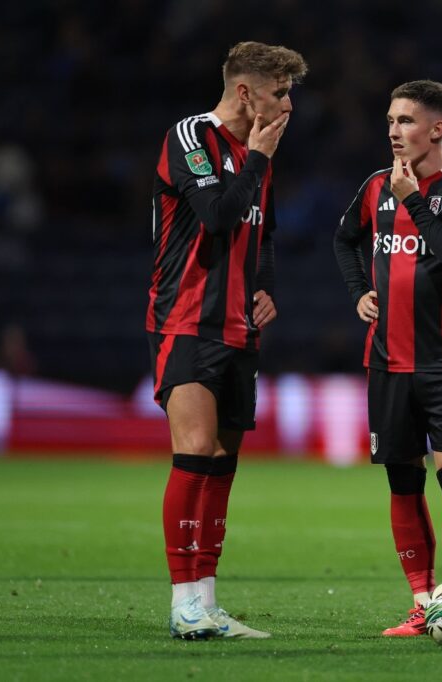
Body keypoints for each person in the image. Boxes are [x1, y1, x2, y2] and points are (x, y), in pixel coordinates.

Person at [146, 41, 307, 640]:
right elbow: (216, 214)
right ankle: (182, 601)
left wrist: (264, 289)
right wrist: (259, 160)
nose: (289, 103)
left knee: (221, 464)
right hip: (187, 319)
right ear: (246, 92)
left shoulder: (254, 154)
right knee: (193, 453)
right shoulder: (191, 137)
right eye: (281, 91)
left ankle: (207, 602)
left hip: (241, 327)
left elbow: (258, 234)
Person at [334, 80, 442, 637]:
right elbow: (343, 238)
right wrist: (358, 288)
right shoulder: (375, 185)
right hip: (386, 361)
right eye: (389, 121)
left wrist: (413, 201)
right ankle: (423, 604)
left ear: (437, 128)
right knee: (403, 483)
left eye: (405, 121)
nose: (393, 132)